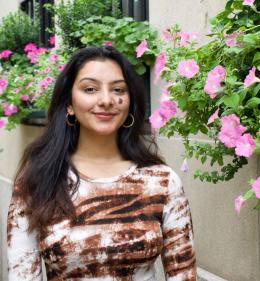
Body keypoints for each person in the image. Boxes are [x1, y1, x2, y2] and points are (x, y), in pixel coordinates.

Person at [7, 46, 196, 281]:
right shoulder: (36, 180)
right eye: (90, 89)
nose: (106, 100)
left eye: (118, 89)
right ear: (69, 104)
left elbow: (183, 274)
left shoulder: (162, 181)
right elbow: (22, 274)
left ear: (129, 103)